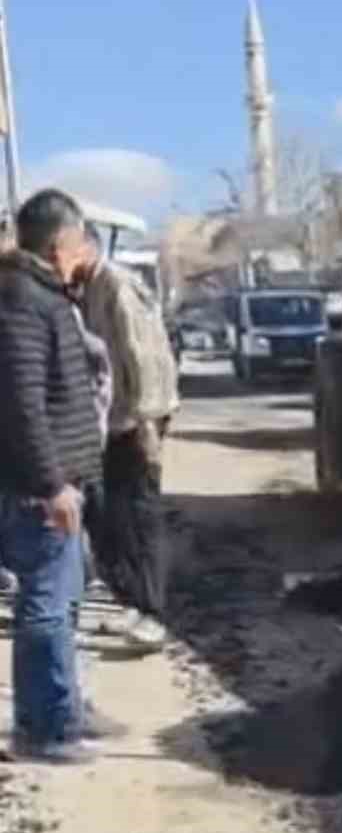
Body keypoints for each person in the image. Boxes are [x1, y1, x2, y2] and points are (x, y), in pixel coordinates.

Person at [0, 190, 120, 763]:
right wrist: (52, 486)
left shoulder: (45, 295)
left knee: (64, 601)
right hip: (37, 491)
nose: (84, 250)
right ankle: (44, 728)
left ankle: (65, 705)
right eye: (78, 240)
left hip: (58, 481)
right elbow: (23, 404)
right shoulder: (23, 299)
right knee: (46, 606)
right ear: (57, 244)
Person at [76, 223, 178, 653]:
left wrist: (147, 424)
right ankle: (135, 603)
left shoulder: (116, 284)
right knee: (113, 519)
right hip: (114, 421)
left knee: (140, 517)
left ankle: (154, 613)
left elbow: (146, 357)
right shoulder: (88, 288)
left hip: (136, 419)